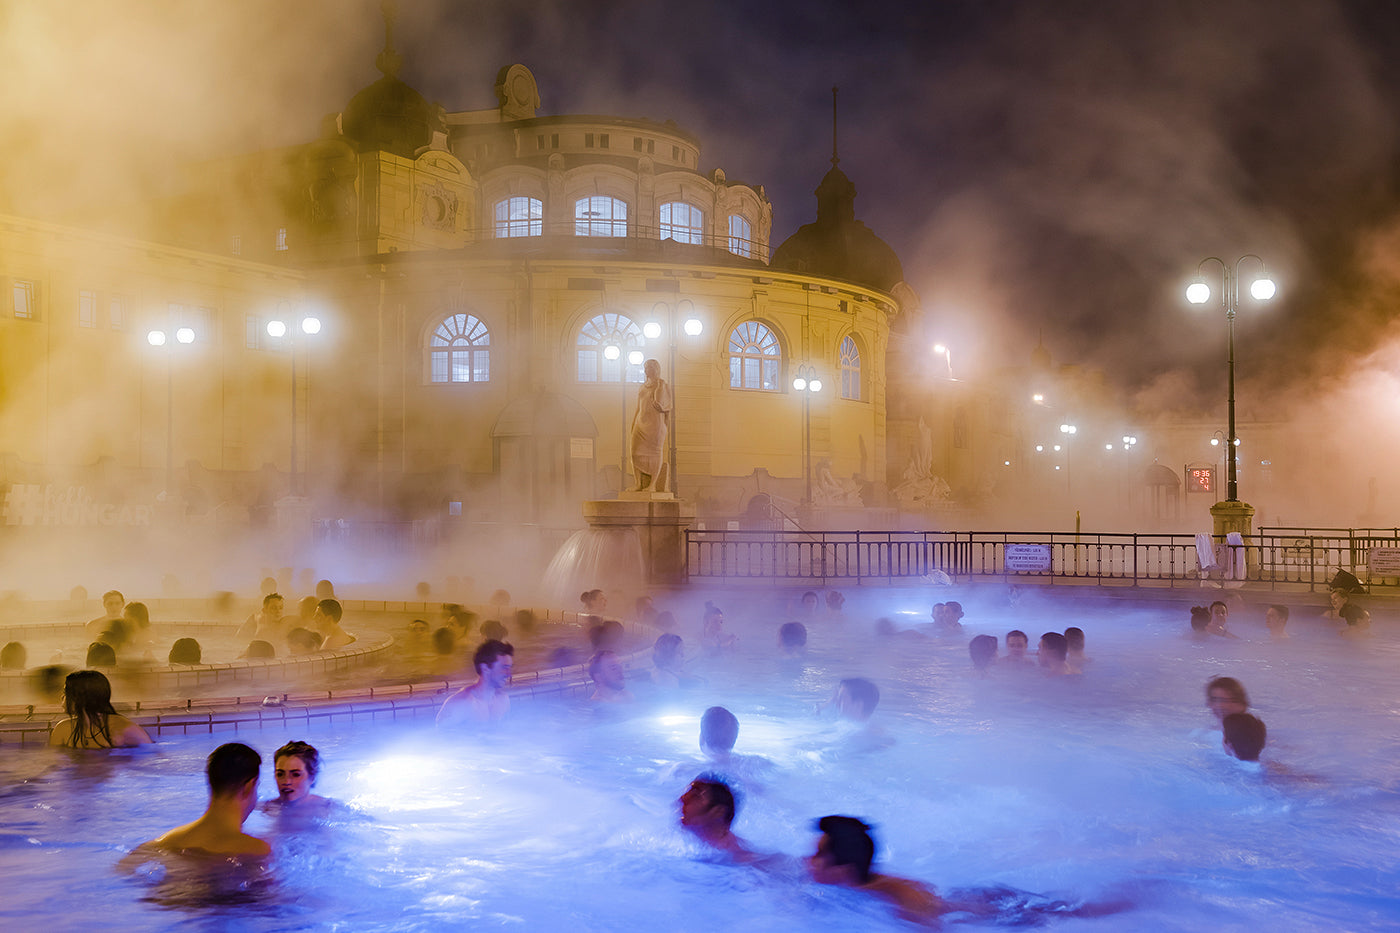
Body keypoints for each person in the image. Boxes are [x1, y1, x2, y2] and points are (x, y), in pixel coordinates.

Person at [122, 743, 269, 862]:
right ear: (249, 786)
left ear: (211, 782)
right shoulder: (255, 850)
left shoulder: (167, 841)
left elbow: (123, 868)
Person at [807, 815, 947, 923]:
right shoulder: (856, 884)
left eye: (818, 854)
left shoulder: (908, 905)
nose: (809, 860)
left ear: (843, 870)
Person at [48, 669, 152, 748]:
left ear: (79, 698)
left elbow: (150, 759)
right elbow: (55, 763)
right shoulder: (62, 729)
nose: (62, 697)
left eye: (65, 693)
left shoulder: (124, 729)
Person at [678, 774, 761, 862]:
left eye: (695, 796)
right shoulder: (694, 844)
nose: (683, 799)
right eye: (687, 793)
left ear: (718, 812)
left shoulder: (738, 859)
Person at [437, 639, 514, 725]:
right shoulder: (460, 703)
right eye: (504, 668)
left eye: (510, 668)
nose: (509, 674)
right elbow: (441, 736)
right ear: (485, 668)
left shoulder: (503, 700)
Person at [629, 357, 672, 492]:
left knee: (655, 453)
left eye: (649, 367)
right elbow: (638, 406)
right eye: (645, 367)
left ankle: (652, 485)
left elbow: (669, 404)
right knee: (634, 452)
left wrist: (662, 406)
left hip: (655, 425)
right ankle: (638, 483)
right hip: (641, 423)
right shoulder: (643, 386)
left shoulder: (663, 384)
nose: (647, 370)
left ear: (656, 369)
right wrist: (633, 422)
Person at [263, 740, 334, 820]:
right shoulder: (265, 808)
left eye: (296, 774)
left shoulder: (328, 808)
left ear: (312, 778)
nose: (286, 782)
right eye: (280, 774)